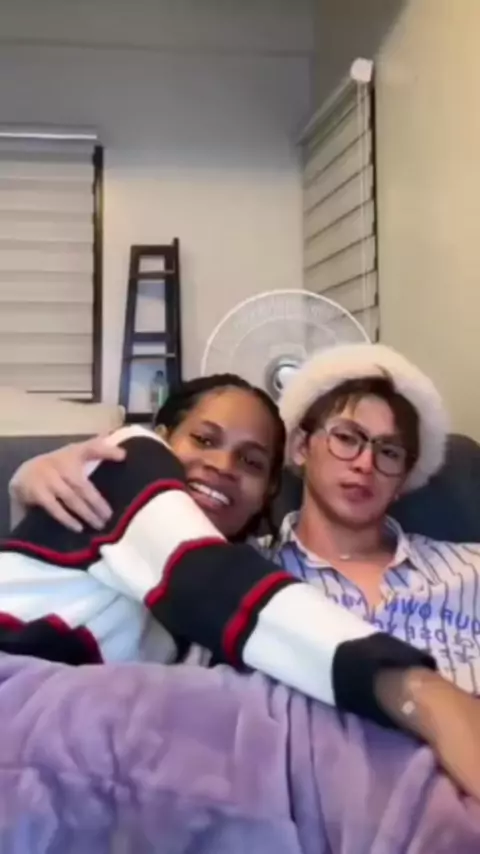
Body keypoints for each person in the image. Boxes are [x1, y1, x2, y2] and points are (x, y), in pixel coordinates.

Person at [7, 371, 480, 800]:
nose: (223, 466)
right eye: (203, 439)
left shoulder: (207, 627)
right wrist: (419, 690)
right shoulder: (135, 468)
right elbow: (209, 581)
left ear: (266, 494)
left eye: (251, 462)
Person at [263, 342, 480, 695]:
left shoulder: (471, 572)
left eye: (389, 452)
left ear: (403, 479)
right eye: (347, 438)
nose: (365, 463)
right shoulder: (248, 569)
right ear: (301, 446)